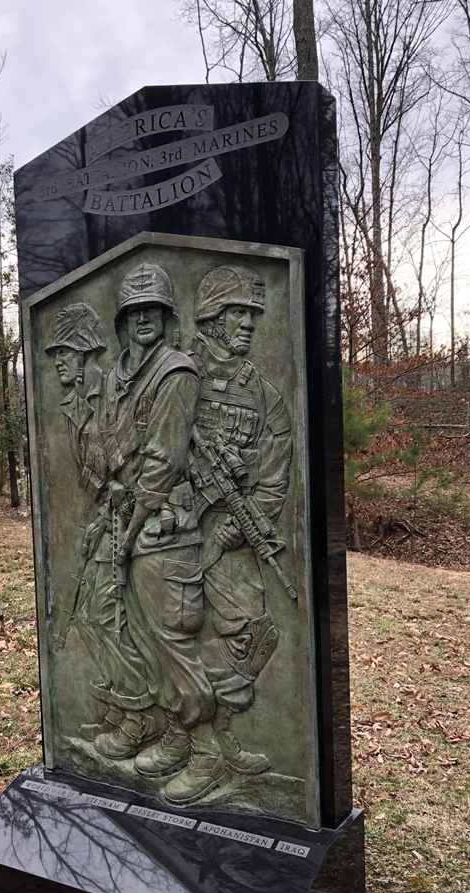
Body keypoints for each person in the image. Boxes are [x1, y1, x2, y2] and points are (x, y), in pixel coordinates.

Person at [100, 262, 226, 805]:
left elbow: (166, 460)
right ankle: (170, 731)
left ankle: (207, 751)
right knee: (143, 639)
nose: (143, 318)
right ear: (124, 320)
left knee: (175, 640)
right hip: (126, 520)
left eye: (153, 309)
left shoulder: (175, 373)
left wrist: (131, 528)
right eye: (135, 311)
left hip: (163, 531)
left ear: (166, 317)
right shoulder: (119, 374)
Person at [187, 265, 292, 774]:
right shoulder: (176, 377)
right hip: (173, 530)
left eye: (252, 313)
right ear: (211, 317)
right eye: (237, 312)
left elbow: (274, 478)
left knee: (256, 633)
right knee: (170, 633)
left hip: (231, 538)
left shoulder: (264, 396)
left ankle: (217, 735)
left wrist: (240, 527)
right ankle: (192, 747)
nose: (249, 323)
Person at [46, 302, 155, 759]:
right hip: (105, 517)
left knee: (102, 613)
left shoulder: (114, 393)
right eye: (54, 355)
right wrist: (102, 492)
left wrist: (119, 490)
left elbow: (140, 451)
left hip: (136, 518)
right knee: (92, 613)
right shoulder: (74, 405)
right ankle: (119, 699)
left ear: (87, 351)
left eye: (65, 353)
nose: (58, 362)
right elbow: (90, 474)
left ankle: (141, 714)